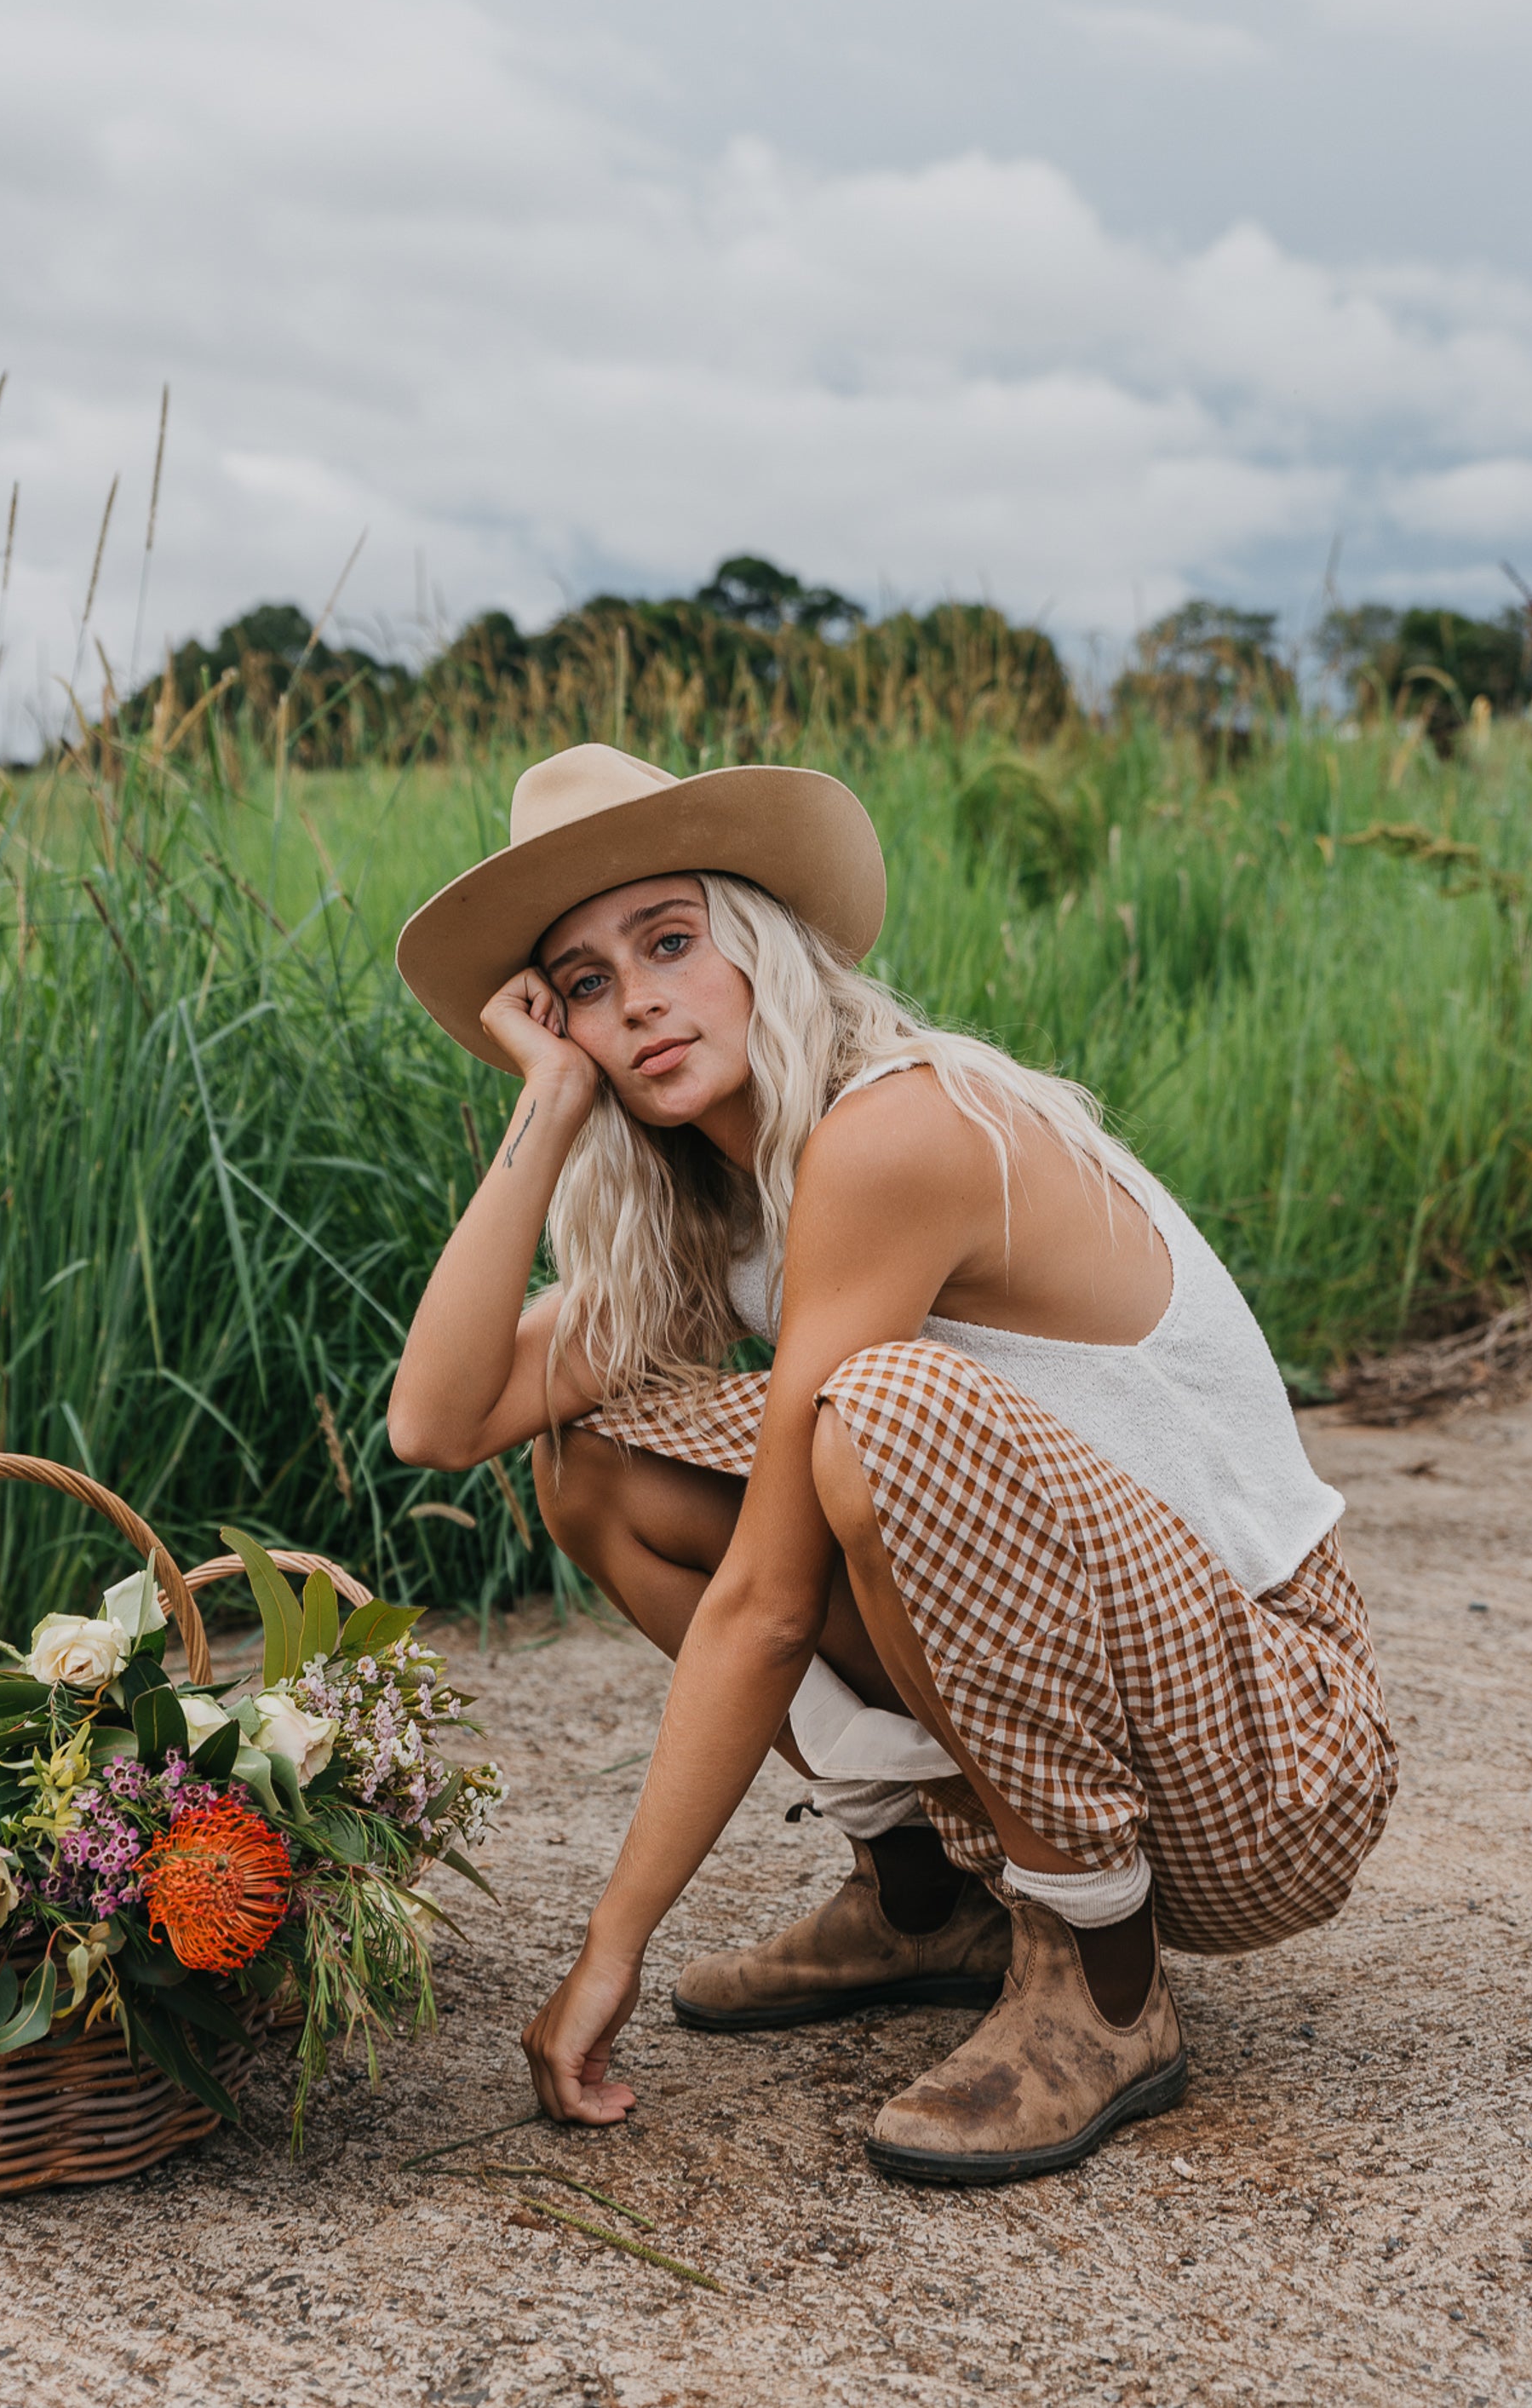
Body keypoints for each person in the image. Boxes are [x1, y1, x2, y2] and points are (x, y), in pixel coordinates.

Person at [389, 743, 1397, 2186]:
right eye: (588, 984)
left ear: (756, 941)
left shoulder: (894, 1130)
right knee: (598, 1468)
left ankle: (1104, 1985)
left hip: (1274, 1745)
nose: (640, 1001)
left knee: (877, 1416)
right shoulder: (724, 1200)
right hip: (1133, 1692)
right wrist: (547, 1103)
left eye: (671, 941)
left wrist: (608, 1953)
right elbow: (441, 1418)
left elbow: (768, 1601)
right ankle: (924, 1902)